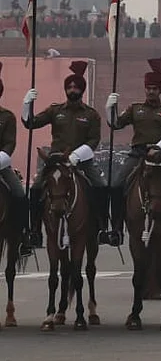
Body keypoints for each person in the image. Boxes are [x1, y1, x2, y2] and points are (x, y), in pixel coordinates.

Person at [107, 58, 161, 245]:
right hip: (138, 154)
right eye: (149, 88)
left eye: (155, 88)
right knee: (116, 185)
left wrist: (156, 149)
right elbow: (116, 124)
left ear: (160, 90)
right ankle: (116, 228)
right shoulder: (135, 109)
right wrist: (110, 108)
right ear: (145, 89)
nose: (151, 91)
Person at [23, 61, 107, 248]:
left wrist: (77, 155)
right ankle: (35, 230)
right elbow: (31, 123)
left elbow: (93, 140)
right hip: (55, 161)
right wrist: (26, 104)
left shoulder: (91, 115)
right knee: (36, 189)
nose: (72, 90)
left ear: (82, 90)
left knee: (101, 186)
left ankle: (103, 228)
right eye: (69, 86)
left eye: (76, 87)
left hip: (82, 160)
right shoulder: (55, 111)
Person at [0, 64, 32, 255]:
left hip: (1, 164)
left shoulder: (7, 117)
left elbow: (9, 144)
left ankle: (23, 236)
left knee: (20, 194)